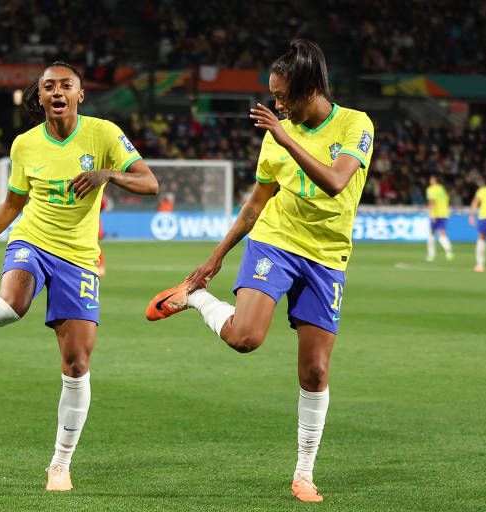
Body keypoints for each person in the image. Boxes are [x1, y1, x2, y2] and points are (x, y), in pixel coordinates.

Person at [145, 39, 374, 503]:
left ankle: (303, 474)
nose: (277, 104)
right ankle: (195, 298)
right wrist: (217, 256)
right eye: (273, 96)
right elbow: (257, 202)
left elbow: (335, 183)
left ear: (311, 88)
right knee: (245, 338)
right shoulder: (277, 132)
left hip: (328, 257)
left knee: (314, 371)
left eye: (283, 96)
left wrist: (286, 137)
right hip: (276, 241)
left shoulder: (354, 124)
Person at [0, 61, 158, 491]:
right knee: (13, 304)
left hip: (79, 257)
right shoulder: (24, 145)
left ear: (79, 94)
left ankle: (60, 464)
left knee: (77, 364)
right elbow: (14, 204)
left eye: (65, 85)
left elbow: (150, 183)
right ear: (39, 97)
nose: (56, 92)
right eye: (47, 86)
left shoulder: (104, 133)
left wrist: (107, 173)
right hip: (31, 241)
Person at [425, 175, 454, 261]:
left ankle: (431, 255)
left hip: (436, 214)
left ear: (434, 181)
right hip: (444, 214)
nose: (430, 180)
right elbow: (447, 200)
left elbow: (431, 201)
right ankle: (448, 250)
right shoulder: (442, 189)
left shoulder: (431, 189)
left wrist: (432, 214)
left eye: (431, 179)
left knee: (431, 234)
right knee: (442, 235)